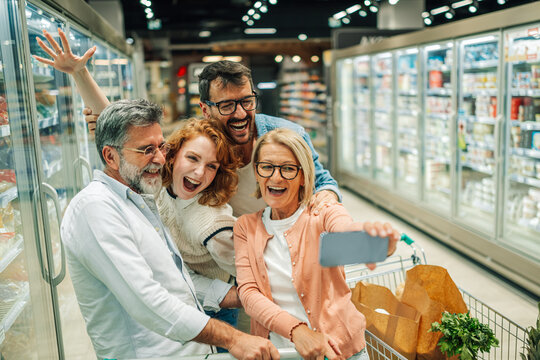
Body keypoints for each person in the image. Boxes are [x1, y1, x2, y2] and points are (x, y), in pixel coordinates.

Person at [60, 98, 279, 359]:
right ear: (110, 156)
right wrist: (233, 338)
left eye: (161, 147)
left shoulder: (140, 198)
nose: (160, 158)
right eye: (147, 150)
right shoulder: (95, 209)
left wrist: (235, 296)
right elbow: (148, 302)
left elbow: (174, 279)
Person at [234, 128, 401, 360]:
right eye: (267, 167)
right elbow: (249, 294)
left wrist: (375, 240)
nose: (275, 177)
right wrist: (297, 331)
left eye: (288, 169)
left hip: (340, 352)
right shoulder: (245, 227)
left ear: (303, 176)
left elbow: (344, 228)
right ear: (257, 172)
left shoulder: (321, 212)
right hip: (281, 353)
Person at [198, 60, 341, 217]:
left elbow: (323, 183)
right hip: (233, 238)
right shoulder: (198, 149)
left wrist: (327, 196)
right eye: (226, 106)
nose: (241, 114)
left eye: (247, 101)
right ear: (205, 110)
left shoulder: (292, 134)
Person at [156, 118, 241, 333]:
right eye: (192, 158)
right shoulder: (159, 185)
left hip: (216, 311)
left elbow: (251, 271)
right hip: (181, 302)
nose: (199, 173)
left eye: (211, 166)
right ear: (172, 155)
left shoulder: (213, 225)